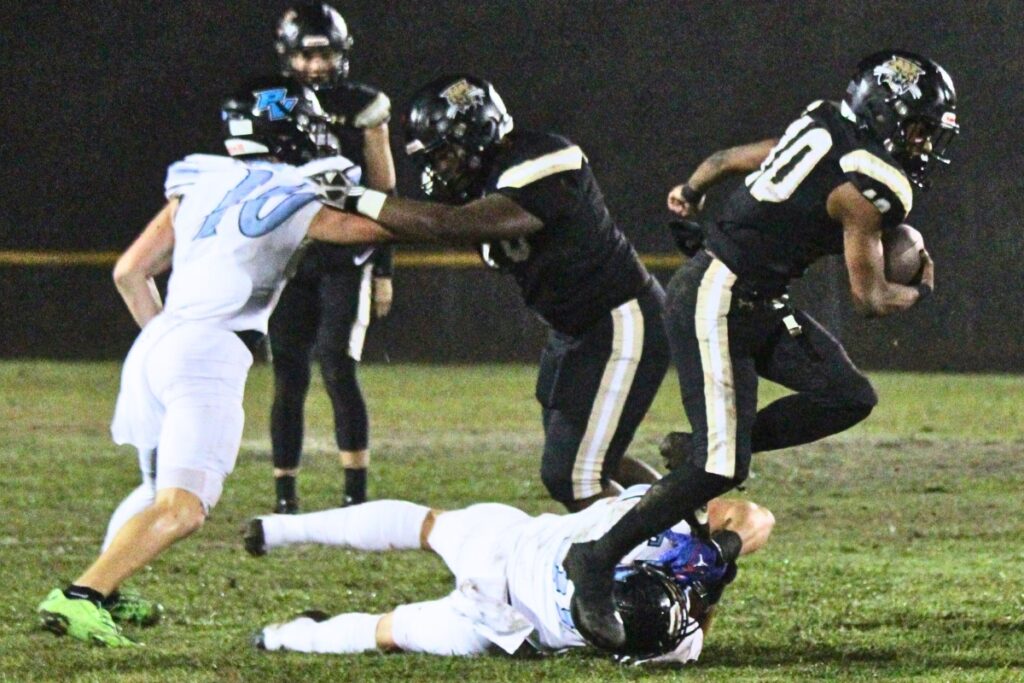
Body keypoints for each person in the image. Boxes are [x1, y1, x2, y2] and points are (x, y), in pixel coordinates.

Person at [562, 49, 959, 650]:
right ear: (882, 114)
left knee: (846, 394)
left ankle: (704, 444)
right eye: (918, 127)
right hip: (718, 298)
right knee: (720, 469)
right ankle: (593, 559)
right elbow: (869, 297)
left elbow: (737, 157)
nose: (924, 143)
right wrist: (919, 287)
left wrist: (697, 182)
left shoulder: (827, 122)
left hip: (753, 296)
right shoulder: (869, 186)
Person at [36, 77, 395, 647]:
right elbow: (382, 225)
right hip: (209, 351)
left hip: (159, 342)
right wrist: (382, 146)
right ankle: (81, 595)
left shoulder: (201, 180)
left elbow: (129, 273)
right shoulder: (292, 191)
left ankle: (105, 589)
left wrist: (170, 341)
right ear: (291, 130)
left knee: (157, 487)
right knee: (184, 507)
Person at [338, 74, 671, 511]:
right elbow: (413, 222)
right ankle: (687, 519)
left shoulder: (546, 157)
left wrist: (352, 196)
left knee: (574, 476)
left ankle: (661, 559)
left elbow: (449, 224)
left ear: (477, 131)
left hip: (621, 319)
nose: (437, 170)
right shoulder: (477, 186)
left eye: (443, 156)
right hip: (575, 332)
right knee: (578, 456)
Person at [243, 485, 774, 662]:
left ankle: (278, 529)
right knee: (388, 631)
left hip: (505, 545)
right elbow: (695, 628)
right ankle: (280, 636)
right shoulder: (669, 642)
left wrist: (719, 550)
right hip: (497, 625)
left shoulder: (644, 525)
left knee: (422, 526)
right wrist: (714, 574)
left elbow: (753, 516)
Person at [268, 1, 396, 513]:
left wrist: (384, 269)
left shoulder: (364, 104)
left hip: (349, 255)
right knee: (288, 373)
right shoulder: (273, 102)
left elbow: (385, 188)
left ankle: (354, 495)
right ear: (289, 55)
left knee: (337, 366)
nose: (317, 66)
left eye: (326, 54)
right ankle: (284, 495)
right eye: (307, 55)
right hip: (290, 253)